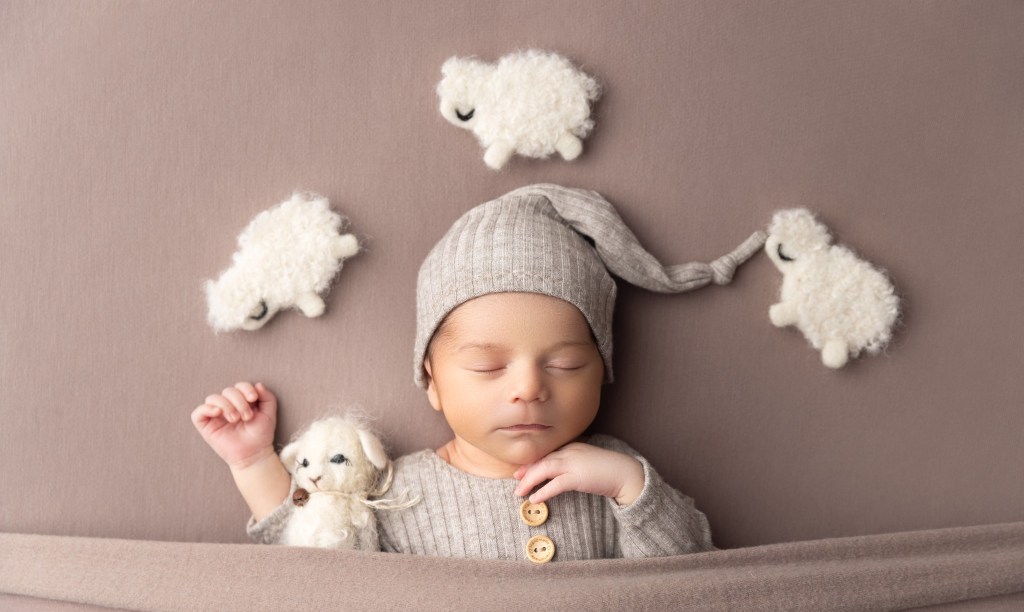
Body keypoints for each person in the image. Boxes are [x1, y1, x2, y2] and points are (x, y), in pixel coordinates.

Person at [191, 183, 765, 562]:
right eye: (488, 367)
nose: (529, 389)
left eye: (565, 364)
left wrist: (630, 488)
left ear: (603, 371)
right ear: (432, 381)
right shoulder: (396, 488)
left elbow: (693, 582)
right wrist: (252, 461)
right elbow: (314, 561)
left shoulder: (609, 475)